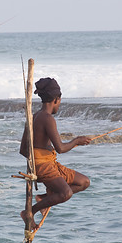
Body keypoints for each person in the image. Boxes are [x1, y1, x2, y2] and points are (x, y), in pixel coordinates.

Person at [19, 77, 91, 230]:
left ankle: (44, 198)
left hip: (47, 163)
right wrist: (77, 140)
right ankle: (30, 212)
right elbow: (61, 149)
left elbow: (23, 150)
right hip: (44, 166)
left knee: (84, 182)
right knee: (66, 193)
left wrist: (42, 153)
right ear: (56, 99)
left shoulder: (34, 116)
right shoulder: (47, 119)